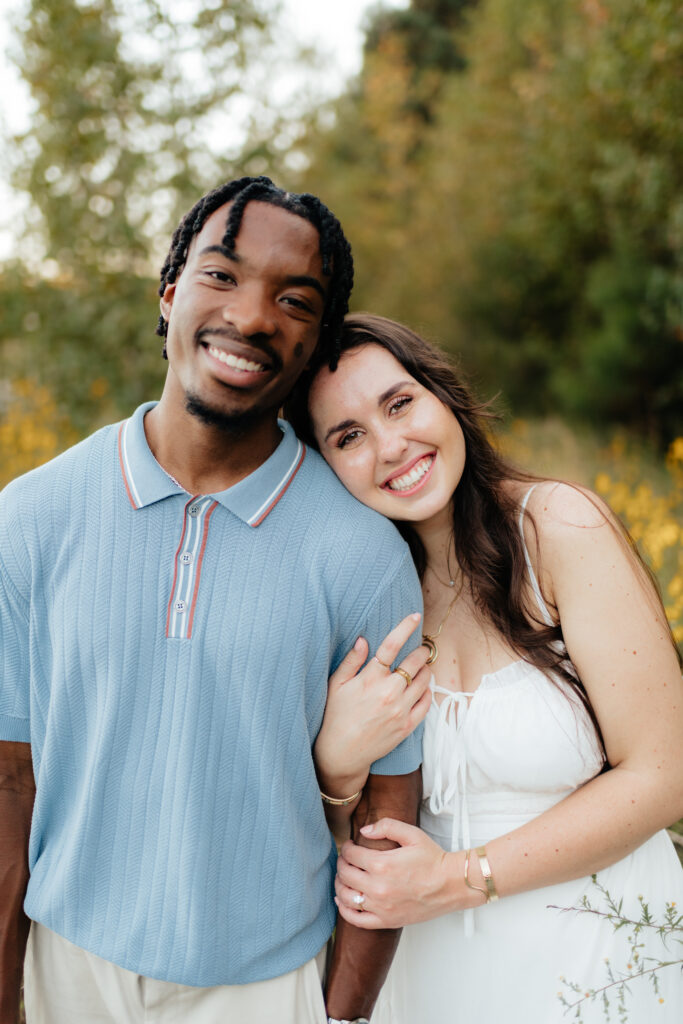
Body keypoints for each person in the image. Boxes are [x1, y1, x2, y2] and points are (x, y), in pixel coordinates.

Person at [0, 180, 434, 1024]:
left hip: (265, 988)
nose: (252, 315)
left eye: (294, 299)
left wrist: (338, 1017)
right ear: (169, 295)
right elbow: (8, 784)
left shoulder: (362, 555)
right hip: (66, 968)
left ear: (313, 343)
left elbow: (388, 822)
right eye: (222, 276)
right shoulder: (29, 517)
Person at [286, 312, 683, 1023]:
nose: (389, 446)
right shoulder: (348, 603)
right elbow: (332, 843)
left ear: (443, 396)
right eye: (347, 437)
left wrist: (457, 878)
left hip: (601, 963)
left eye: (399, 403)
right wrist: (336, 771)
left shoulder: (556, 527)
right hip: (430, 979)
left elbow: (665, 774)